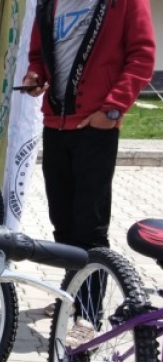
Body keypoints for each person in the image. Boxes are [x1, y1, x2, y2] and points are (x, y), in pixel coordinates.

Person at [22, 0, 155, 344]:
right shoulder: (49, 4)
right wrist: (35, 76)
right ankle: (71, 295)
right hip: (55, 124)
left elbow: (142, 56)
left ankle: (89, 314)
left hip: (96, 127)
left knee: (90, 226)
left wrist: (112, 109)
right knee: (62, 222)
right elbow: (38, 55)